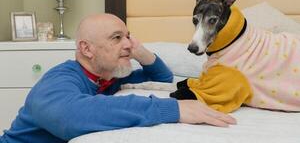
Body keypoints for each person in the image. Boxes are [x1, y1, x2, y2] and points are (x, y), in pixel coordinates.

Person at [0, 13, 236, 143]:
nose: (127, 44)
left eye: (128, 37)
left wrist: (139, 51)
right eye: (116, 38)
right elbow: (71, 118)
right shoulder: (58, 80)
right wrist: (173, 109)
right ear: (87, 49)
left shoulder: (110, 78)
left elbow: (163, 77)